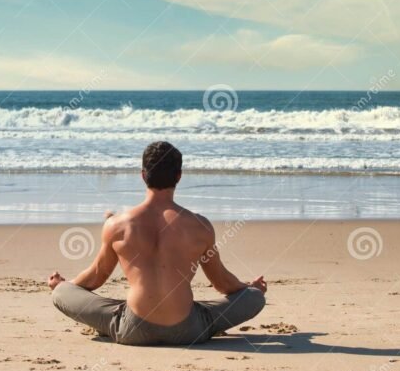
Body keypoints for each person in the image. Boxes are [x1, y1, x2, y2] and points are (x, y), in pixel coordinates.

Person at [49, 141, 266, 346]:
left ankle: (71, 294)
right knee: (254, 298)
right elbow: (222, 283)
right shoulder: (200, 226)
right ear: (179, 176)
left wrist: (66, 285)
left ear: (143, 175)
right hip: (189, 331)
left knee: (60, 292)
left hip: (133, 329)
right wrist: (249, 289)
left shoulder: (117, 225)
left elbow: (96, 277)